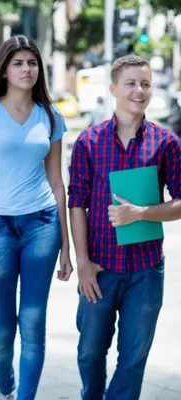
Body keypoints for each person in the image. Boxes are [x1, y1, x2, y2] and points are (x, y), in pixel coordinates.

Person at [0, 35, 73, 400]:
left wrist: (67, 249)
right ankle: (5, 388)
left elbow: (58, 184)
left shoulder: (51, 116)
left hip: (42, 226)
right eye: (18, 63)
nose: (27, 69)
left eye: (32, 62)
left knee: (33, 321)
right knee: (0, 332)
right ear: (5, 70)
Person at [69, 55, 181, 400]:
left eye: (145, 84)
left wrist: (141, 213)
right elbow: (77, 204)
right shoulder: (88, 142)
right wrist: (83, 264)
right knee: (89, 354)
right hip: (100, 268)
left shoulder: (167, 143)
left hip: (146, 271)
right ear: (113, 88)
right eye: (131, 83)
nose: (139, 90)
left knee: (132, 360)